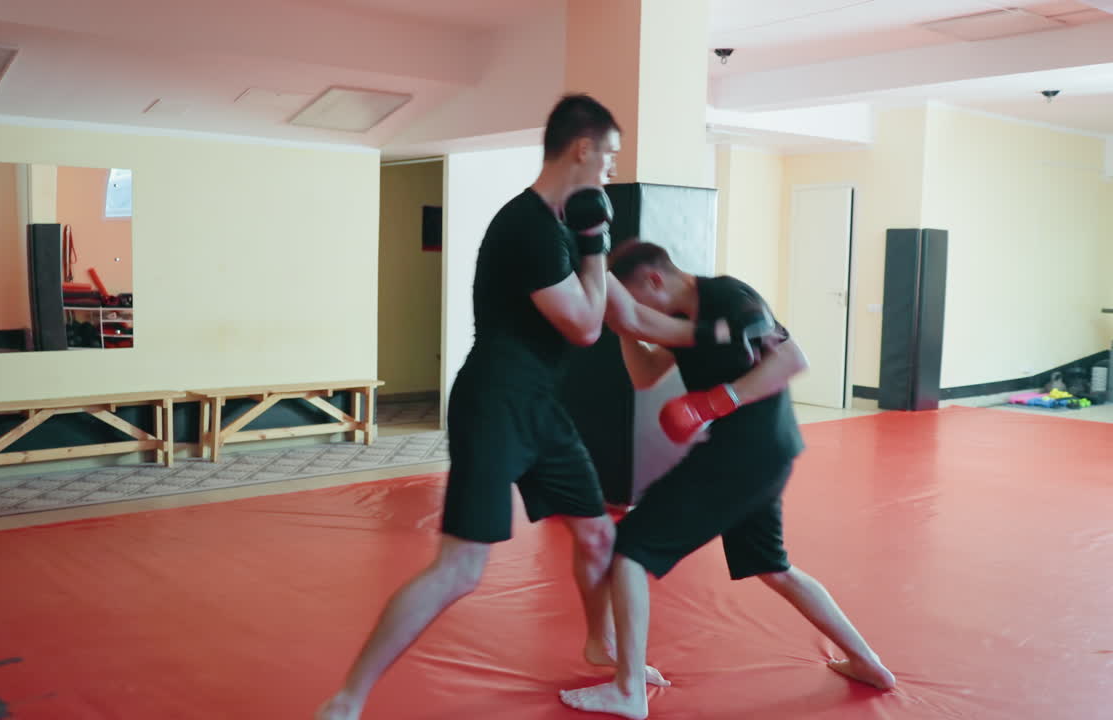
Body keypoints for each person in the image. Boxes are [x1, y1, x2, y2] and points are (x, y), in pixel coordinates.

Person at [317, 93, 638, 720]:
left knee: (598, 534)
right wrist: (597, 245)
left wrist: (710, 334)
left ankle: (601, 643)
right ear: (583, 147)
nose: (612, 171)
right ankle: (346, 700)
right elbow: (585, 326)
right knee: (462, 569)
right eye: (611, 157)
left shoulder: (559, 226)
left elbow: (622, 308)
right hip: (494, 402)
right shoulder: (528, 227)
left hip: (541, 405)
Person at [560, 240, 896, 719]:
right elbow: (647, 375)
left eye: (638, 300)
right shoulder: (691, 323)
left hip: (746, 449)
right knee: (773, 566)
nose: (642, 314)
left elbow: (792, 359)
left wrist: (715, 401)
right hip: (762, 451)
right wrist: (624, 330)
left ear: (655, 280)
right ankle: (869, 663)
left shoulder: (729, 301)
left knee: (629, 549)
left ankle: (628, 689)